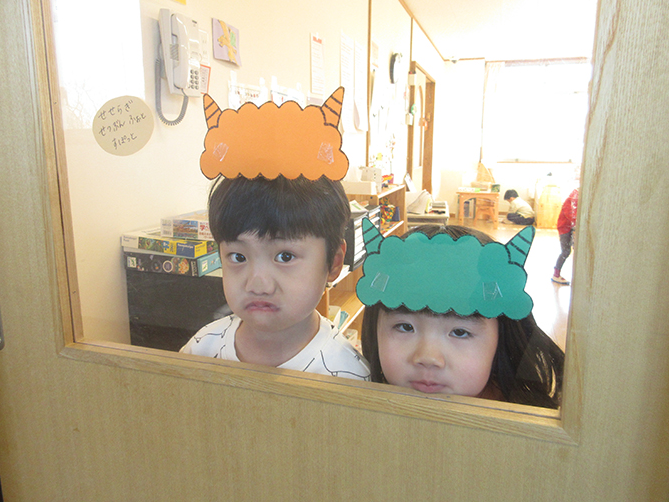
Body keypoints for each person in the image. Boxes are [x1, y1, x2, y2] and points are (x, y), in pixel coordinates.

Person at [180, 87, 370, 381]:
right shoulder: (202, 349)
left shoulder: (346, 374)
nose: (258, 284)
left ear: (333, 262)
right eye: (238, 257)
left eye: (285, 256)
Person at [357, 223, 564, 408]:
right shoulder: (361, 404)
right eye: (405, 327)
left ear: (501, 339)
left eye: (459, 332)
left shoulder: (521, 425)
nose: (428, 358)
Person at [552, 188, 579, 285]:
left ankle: (557, 274)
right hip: (565, 228)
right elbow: (571, 215)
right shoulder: (573, 199)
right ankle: (556, 274)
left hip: (569, 228)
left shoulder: (575, 196)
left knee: (573, 251)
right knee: (566, 251)